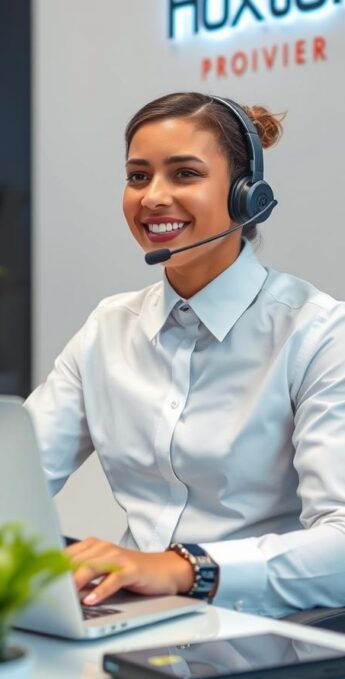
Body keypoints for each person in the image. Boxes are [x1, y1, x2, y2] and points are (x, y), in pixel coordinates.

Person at [25, 92, 345, 617]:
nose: (152, 197)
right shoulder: (108, 328)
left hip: (259, 634)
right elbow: (15, 475)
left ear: (248, 196)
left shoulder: (319, 334)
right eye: (137, 176)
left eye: (185, 174)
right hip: (126, 616)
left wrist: (183, 568)